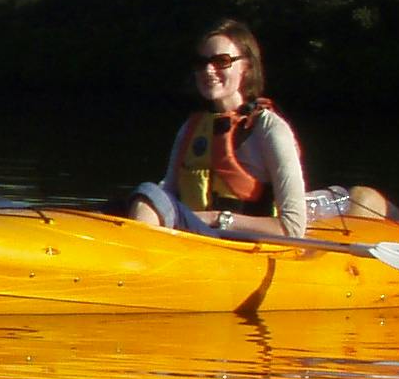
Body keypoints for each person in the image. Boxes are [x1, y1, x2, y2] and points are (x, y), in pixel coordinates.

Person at [128, 19, 328, 237]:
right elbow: (166, 193)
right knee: (135, 200)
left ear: (247, 67)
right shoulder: (191, 128)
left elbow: (292, 228)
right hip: (194, 239)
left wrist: (217, 218)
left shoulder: (271, 129)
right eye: (201, 62)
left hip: (241, 248)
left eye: (221, 61)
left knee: (148, 194)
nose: (208, 70)